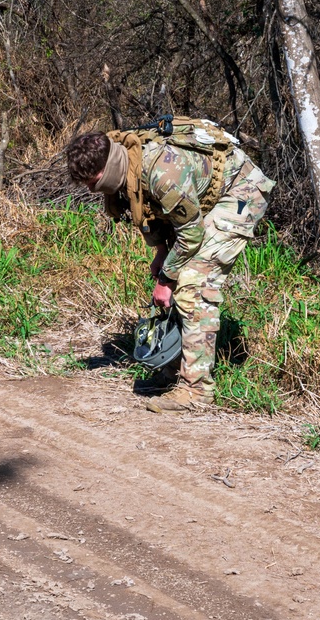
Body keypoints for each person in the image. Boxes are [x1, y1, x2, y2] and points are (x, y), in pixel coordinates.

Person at [66, 119, 274, 413]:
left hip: (240, 192)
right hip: (201, 200)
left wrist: (166, 280)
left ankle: (196, 391)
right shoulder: (127, 160)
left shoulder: (163, 172)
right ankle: (174, 370)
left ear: (108, 167)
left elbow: (191, 234)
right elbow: (150, 212)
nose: (91, 190)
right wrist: (162, 252)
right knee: (179, 278)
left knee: (192, 286)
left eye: (94, 182)